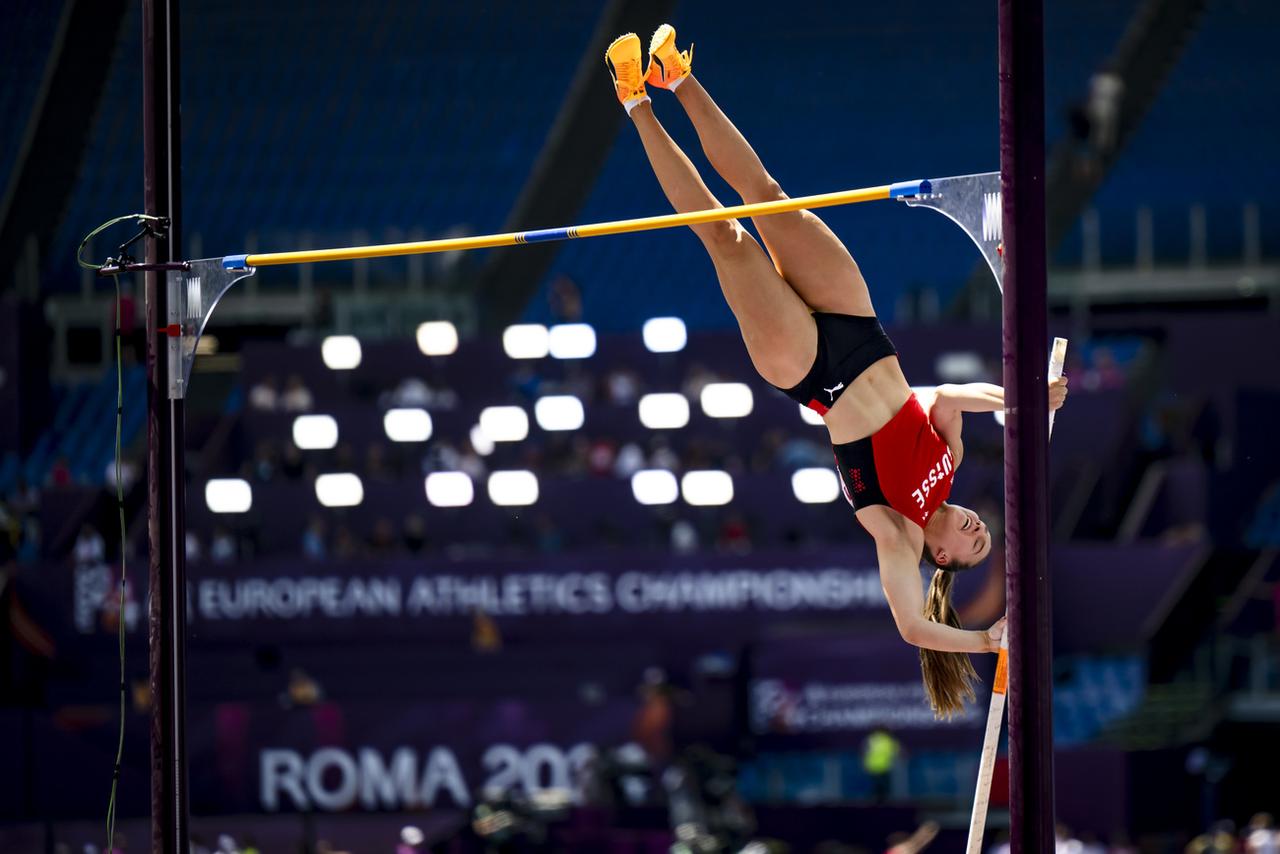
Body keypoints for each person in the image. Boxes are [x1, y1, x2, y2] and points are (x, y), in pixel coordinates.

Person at [604, 26, 1068, 716]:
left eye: (970, 546)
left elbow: (912, 627)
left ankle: (636, 102)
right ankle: (677, 78)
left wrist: (987, 640)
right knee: (768, 193)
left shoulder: (899, 533)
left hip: (813, 371)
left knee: (726, 236)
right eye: (982, 529)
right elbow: (948, 397)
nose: (975, 528)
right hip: (858, 325)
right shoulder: (952, 459)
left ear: (940, 558)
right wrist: (1023, 399)